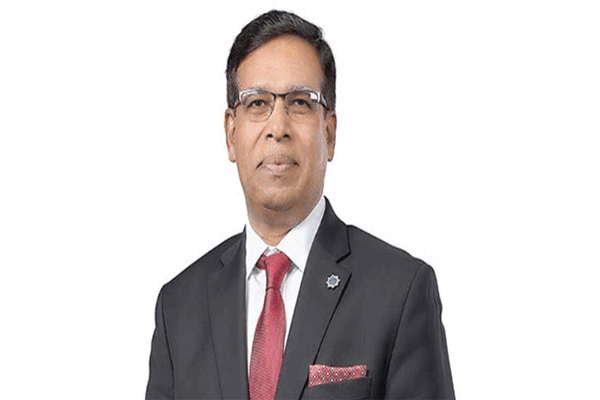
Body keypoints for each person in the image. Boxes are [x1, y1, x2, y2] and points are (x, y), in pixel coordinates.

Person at [145, 10, 455, 400]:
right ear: (230, 132)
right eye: (257, 103)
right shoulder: (178, 307)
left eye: (300, 103)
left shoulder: (400, 291)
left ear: (330, 132)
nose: (278, 127)